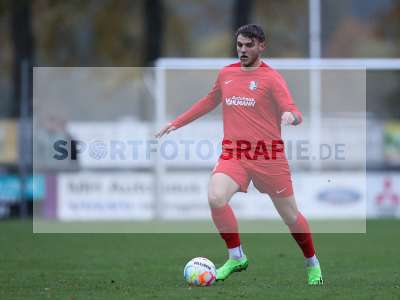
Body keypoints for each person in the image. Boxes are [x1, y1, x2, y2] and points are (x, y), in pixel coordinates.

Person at [155, 24, 323, 285]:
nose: (243, 50)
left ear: (261, 46)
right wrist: (176, 123)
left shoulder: (272, 78)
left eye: (248, 45)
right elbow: (209, 101)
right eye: (239, 45)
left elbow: (293, 109)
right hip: (235, 155)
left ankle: (312, 263)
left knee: (291, 217)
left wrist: (292, 117)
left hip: (269, 157)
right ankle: (236, 257)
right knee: (215, 196)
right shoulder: (226, 74)